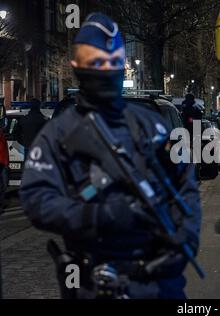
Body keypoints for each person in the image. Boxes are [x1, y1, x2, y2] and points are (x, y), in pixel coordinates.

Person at [20, 13, 202, 299]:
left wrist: (187, 234)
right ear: (76, 66)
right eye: (96, 63)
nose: (106, 70)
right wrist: (95, 215)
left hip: (159, 281)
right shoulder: (58, 134)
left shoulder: (149, 124)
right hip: (97, 282)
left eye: (113, 62)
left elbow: (185, 184)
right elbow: (37, 200)